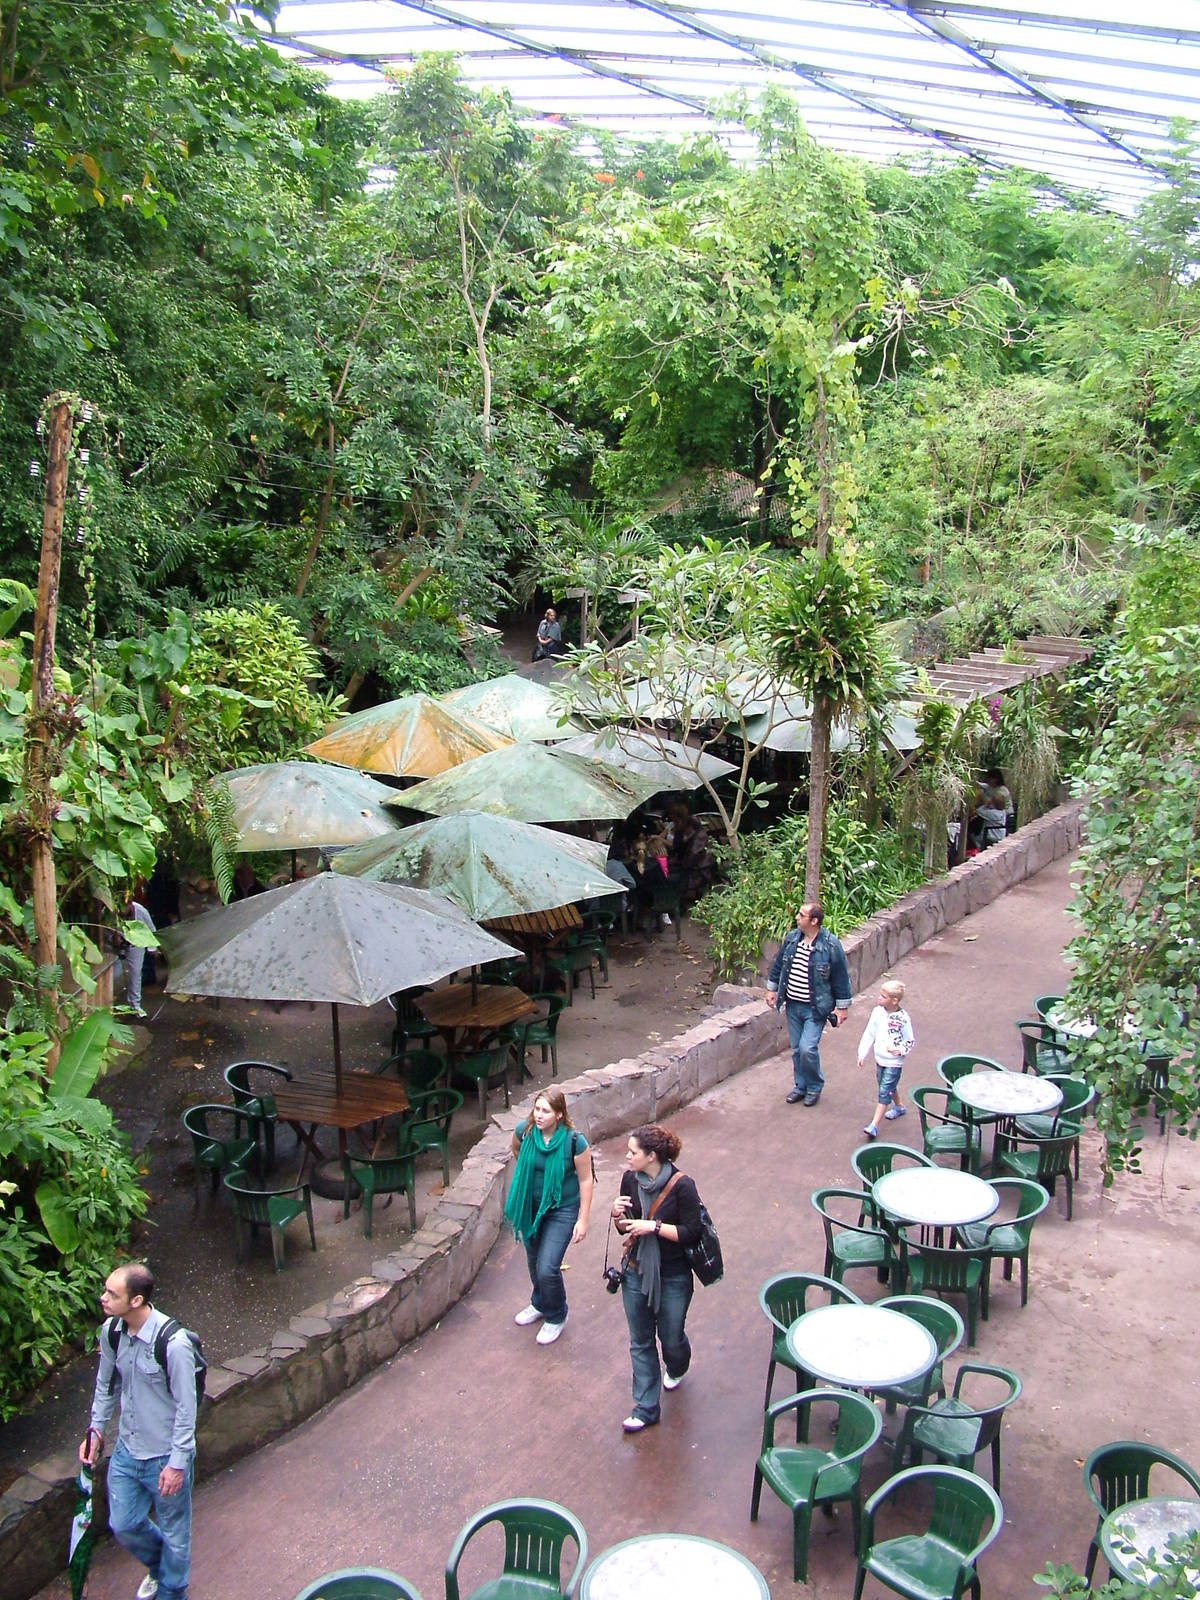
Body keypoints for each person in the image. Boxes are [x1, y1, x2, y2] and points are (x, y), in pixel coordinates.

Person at [80, 1264, 197, 1600]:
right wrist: (97, 1430)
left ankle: (172, 1591)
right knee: (124, 1524)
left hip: (165, 1456)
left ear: (136, 1301)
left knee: (175, 1534)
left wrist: (177, 1463)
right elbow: (106, 1385)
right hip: (127, 1450)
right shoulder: (111, 1332)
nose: (103, 1298)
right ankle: (163, 1569)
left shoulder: (173, 1344)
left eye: (112, 1294)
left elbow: (187, 1409)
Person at [611, 1124, 702, 1433]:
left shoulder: (683, 1186)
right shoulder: (629, 1180)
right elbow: (625, 1228)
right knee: (640, 1341)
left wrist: (654, 1227)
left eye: (633, 1152)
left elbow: (692, 1232)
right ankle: (646, 1407)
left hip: (673, 1275)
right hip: (636, 1270)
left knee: (671, 1338)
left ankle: (678, 1364)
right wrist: (617, 1216)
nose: (627, 1156)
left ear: (651, 1156)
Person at [505, 1088, 593, 1346]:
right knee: (534, 1261)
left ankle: (557, 1315)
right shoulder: (526, 1131)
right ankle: (540, 1302)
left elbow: (586, 1180)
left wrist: (583, 1219)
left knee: (547, 1266)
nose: (539, 1115)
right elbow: (517, 1152)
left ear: (559, 1114)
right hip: (531, 1206)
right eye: (537, 1109)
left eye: (546, 1111)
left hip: (562, 1208)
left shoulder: (574, 1141)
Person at [766, 901, 852, 1107]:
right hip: (793, 1005)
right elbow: (778, 965)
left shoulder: (830, 945)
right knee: (796, 1049)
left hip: (815, 1008)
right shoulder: (792, 939)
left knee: (807, 1048)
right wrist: (772, 989)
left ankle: (814, 1086)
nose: (796, 917)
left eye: (801, 915)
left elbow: (841, 978)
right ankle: (800, 1086)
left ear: (814, 921)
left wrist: (842, 1007)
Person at [856, 979, 915, 1140]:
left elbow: (909, 1040)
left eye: (883, 996)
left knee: (884, 1090)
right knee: (887, 1085)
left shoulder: (903, 1018)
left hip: (894, 1062)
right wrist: (862, 1052)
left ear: (894, 1000)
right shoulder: (877, 1012)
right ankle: (899, 1107)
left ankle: (874, 1125)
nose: (879, 999)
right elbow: (870, 1033)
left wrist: (899, 1050)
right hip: (880, 1058)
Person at [667, 803, 716, 908]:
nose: (674, 823)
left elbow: (694, 855)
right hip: (686, 861)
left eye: (675, 820)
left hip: (700, 865)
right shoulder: (680, 832)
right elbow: (678, 848)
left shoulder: (698, 833)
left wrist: (679, 861)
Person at [121, 891, 156, 1018]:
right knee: (117, 973)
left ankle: (135, 1005)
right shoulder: (109, 912)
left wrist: (151, 948)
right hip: (116, 943)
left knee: (135, 973)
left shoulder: (141, 911)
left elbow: (151, 929)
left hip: (136, 944)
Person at [969, 767, 1013, 850]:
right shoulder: (991, 788)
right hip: (995, 815)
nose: (987, 780)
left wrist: (987, 803)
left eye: (990, 778)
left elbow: (981, 809)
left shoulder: (1002, 791)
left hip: (1006, 816)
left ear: (995, 779)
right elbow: (984, 786)